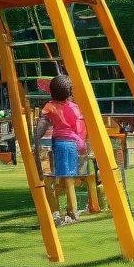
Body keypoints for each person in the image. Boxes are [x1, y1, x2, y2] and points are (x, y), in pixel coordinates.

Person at [35, 73, 88, 226]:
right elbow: (80, 127)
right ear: (69, 92)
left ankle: (55, 211)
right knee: (69, 178)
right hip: (71, 145)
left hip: (56, 144)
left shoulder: (49, 106)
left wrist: (35, 140)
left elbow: (42, 125)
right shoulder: (74, 107)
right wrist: (82, 144)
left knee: (51, 178)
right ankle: (72, 211)